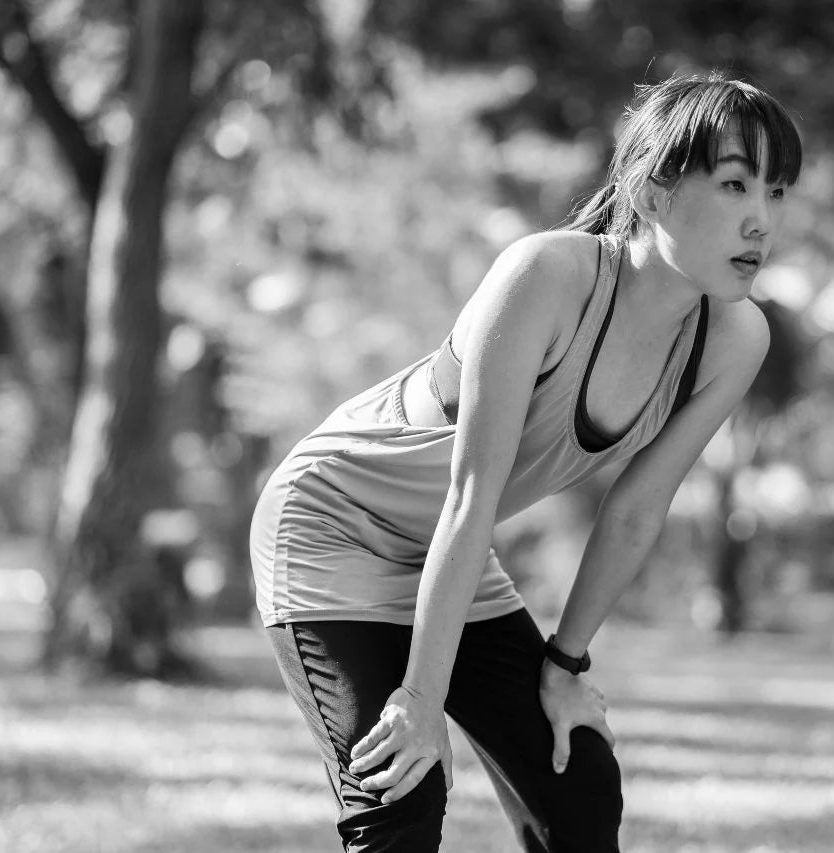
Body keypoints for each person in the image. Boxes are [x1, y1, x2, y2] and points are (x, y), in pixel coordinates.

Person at [250, 70, 802, 852]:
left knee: (580, 785)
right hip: (332, 527)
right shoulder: (547, 275)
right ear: (651, 193)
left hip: (448, 552)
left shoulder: (733, 340)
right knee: (401, 792)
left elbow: (636, 510)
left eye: (777, 192)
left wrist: (565, 664)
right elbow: (471, 494)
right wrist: (419, 698)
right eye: (736, 185)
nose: (761, 221)